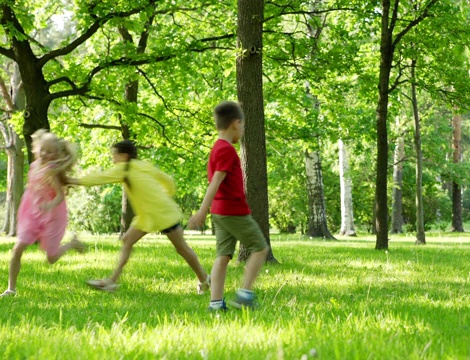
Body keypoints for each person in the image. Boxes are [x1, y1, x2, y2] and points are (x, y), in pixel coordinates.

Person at [66, 140, 209, 293]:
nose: (113, 160)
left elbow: (99, 178)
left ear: (124, 156)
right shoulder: (144, 165)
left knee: (182, 249)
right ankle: (111, 282)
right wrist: (167, 195)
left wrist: (73, 180)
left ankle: (204, 279)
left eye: (115, 156)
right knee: (127, 240)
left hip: (161, 214)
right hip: (150, 214)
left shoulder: (123, 169)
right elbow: (169, 181)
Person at [188, 101, 269, 311]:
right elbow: (216, 181)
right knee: (260, 249)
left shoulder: (216, 148)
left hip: (220, 213)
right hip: (233, 211)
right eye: (242, 126)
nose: (242, 131)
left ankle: (215, 303)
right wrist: (201, 211)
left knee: (223, 256)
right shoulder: (226, 150)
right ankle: (245, 295)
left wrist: (208, 210)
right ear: (235, 123)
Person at [1, 130, 86, 297]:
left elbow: (60, 196)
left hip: (51, 215)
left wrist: (49, 205)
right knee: (18, 247)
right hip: (31, 212)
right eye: (43, 149)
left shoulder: (51, 171)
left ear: (57, 155)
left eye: (50, 151)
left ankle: (72, 244)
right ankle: (11, 288)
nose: (45, 154)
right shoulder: (34, 165)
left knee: (51, 258)